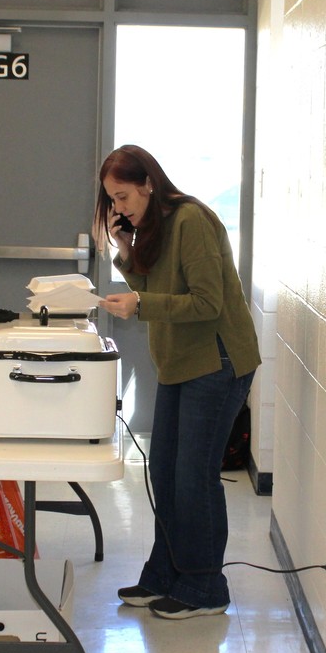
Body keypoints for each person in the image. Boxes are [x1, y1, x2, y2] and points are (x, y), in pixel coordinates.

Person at [94, 144, 261, 620]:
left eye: (123, 196)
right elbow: (158, 284)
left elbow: (207, 303)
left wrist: (140, 305)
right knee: (164, 471)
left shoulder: (191, 221)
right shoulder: (154, 226)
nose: (119, 208)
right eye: (111, 200)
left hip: (218, 360)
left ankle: (206, 586)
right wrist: (125, 252)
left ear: (148, 183)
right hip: (180, 362)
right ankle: (166, 573)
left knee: (194, 477)